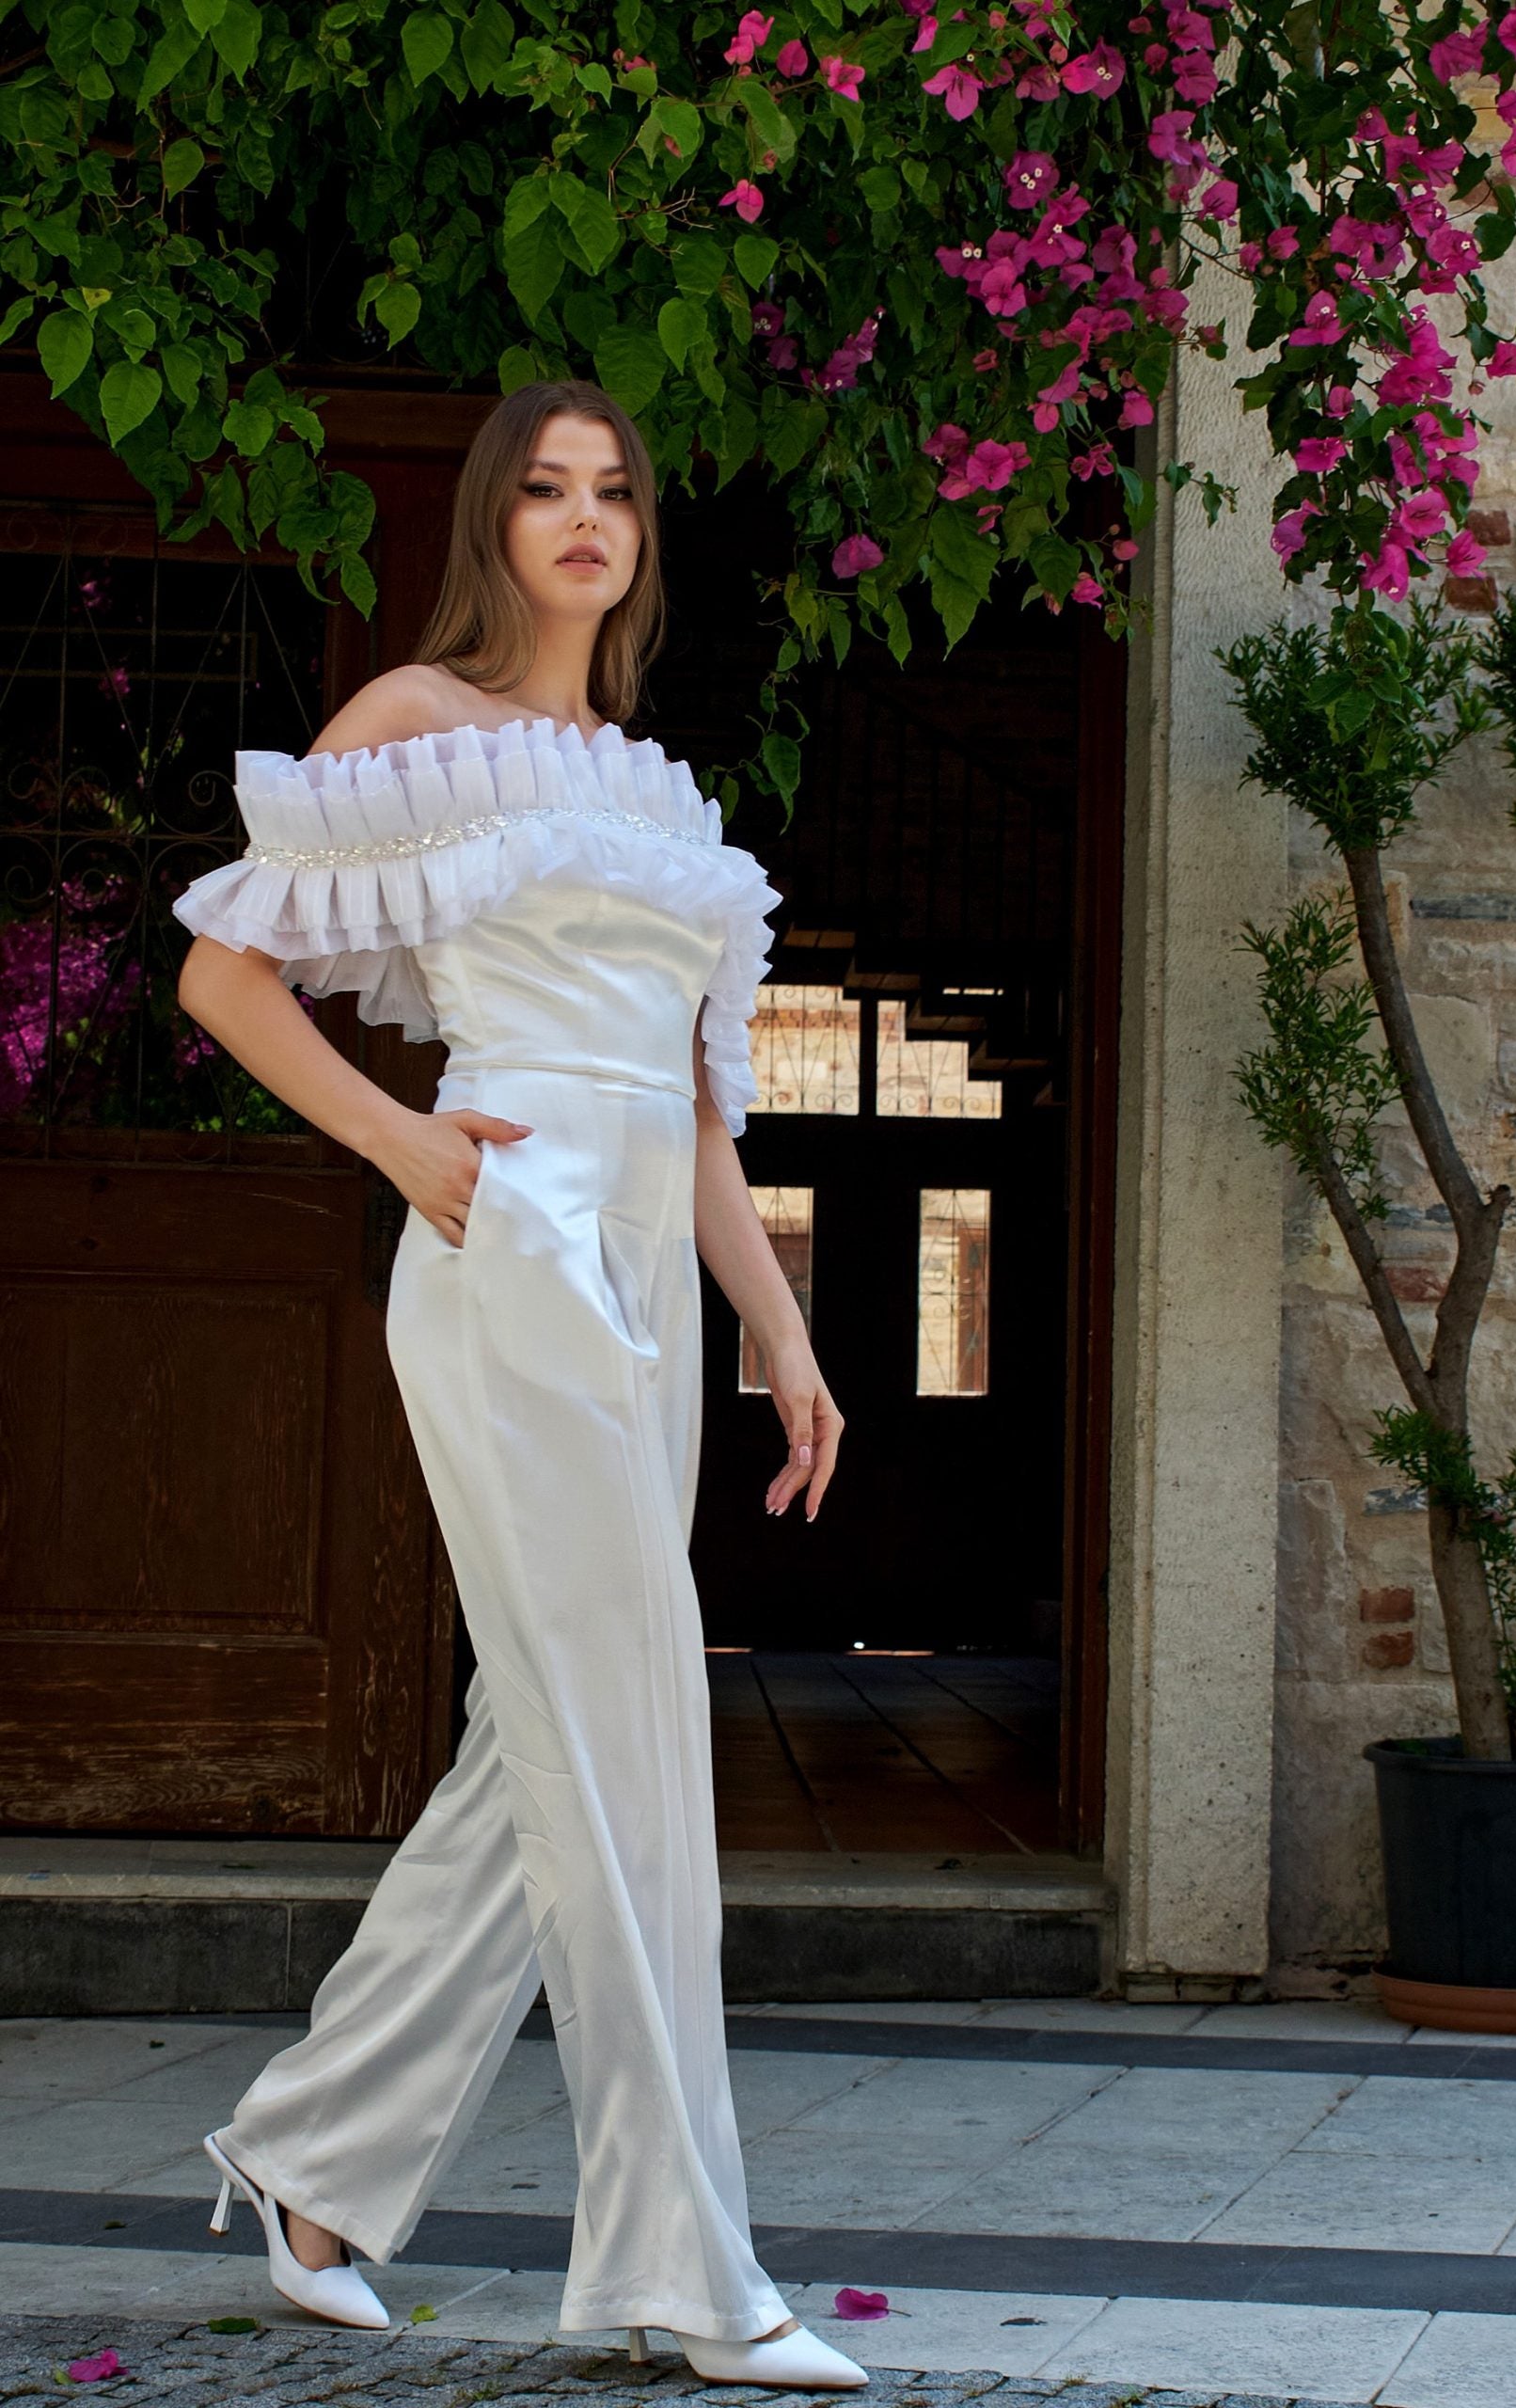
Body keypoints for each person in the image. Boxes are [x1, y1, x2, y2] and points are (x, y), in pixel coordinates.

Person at [172, 378, 864, 2389]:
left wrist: (781, 1324)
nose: (583, 517)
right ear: (494, 524)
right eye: (545, 488)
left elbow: (695, 1109)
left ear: (641, 536)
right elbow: (223, 974)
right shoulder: (414, 721)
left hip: (647, 1270)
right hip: (513, 1248)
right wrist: (401, 1142)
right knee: (629, 1734)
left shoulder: (654, 796)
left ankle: (312, 2166)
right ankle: (685, 2263)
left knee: (552, 1734)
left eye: (614, 492)